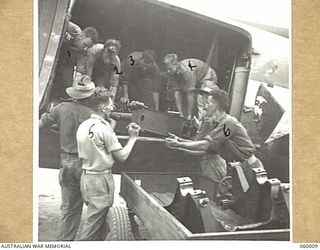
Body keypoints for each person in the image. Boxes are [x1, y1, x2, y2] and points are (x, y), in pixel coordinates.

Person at [76, 87, 141, 241]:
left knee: (97, 222)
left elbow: (98, 143)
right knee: (92, 227)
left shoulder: (84, 125)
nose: (112, 108)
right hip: (100, 180)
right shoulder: (104, 129)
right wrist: (133, 138)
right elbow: (122, 156)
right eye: (111, 105)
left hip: (87, 178)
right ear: (103, 107)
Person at [39, 76, 96, 240]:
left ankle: (63, 243)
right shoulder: (93, 115)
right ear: (90, 95)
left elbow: (40, 124)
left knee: (68, 209)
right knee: (96, 211)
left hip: (66, 163)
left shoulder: (61, 108)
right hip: (86, 165)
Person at [165, 88, 263, 184]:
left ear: (216, 105)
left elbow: (205, 145)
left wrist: (178, 144)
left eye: (209, 103)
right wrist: (178, 141)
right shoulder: (217, 124)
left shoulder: (228, 123)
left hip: (250, 169)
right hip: (239, 169)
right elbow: (203, 147)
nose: (206, 106)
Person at [52, 20, 99, 99]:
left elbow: (80, 68)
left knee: (67, 83)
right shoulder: (73, 29)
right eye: (85, 44)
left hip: (66, 60)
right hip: (53, 50)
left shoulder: (83, 52)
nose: (85, 48)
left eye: (87, 47)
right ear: (81, 35)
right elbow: (59, 20)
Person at [163, 54, 218, 120]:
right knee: (184, 98)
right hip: (197, 78)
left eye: (170, 69)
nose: (168, 71)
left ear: (176, 65)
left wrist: (189, 115)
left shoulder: (187, 72)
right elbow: (176, 92)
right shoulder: (172, 72)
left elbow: (190, 94)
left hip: (207, 76)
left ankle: (202, 124)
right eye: (167, 69)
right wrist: (180, 113)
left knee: (201, 101)